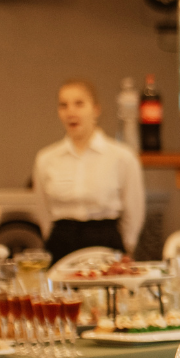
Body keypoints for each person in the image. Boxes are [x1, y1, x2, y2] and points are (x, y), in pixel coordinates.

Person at [33, 78, 146, 263]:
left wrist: (127, 247)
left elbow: (134, 212)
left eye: (79, 104)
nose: (71, 112)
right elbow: (43, 211)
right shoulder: (46, 158)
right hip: (61, 244)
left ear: (95, 109)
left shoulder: (122, 156)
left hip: (105, 242)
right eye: (63, 105)